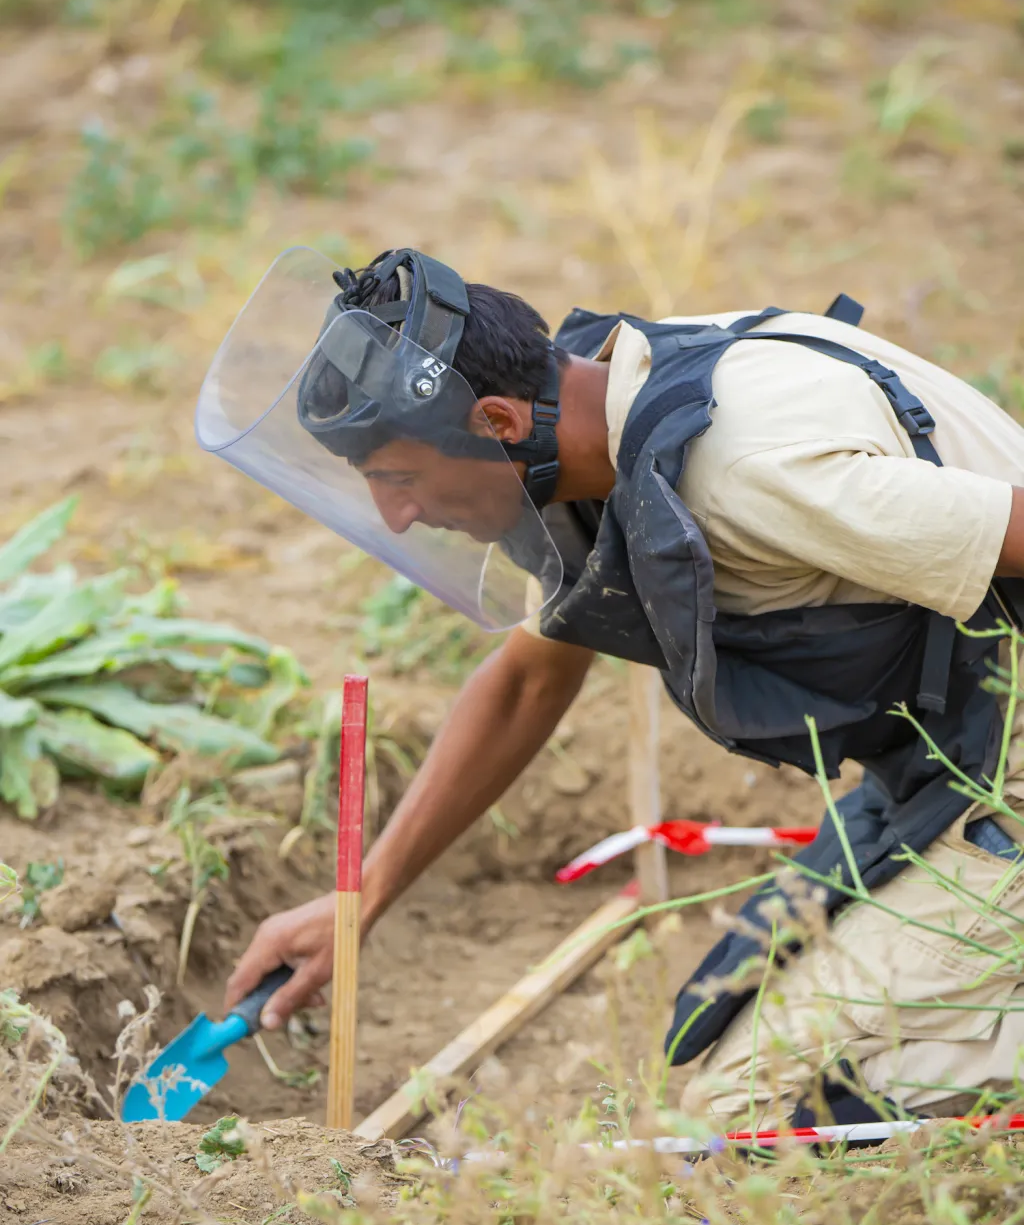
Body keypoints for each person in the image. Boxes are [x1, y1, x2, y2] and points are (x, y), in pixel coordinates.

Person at [210, 246, 1024, 1125]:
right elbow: (530, 677)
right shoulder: (606, 415)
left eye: (400, 480)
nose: (396, 517)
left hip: (1003, 762)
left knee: (753, 1112)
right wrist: (359, 901)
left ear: (493, 420)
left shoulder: (748, 467)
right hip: (956, 751)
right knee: (729, 1021)